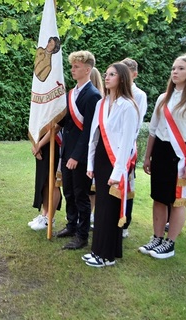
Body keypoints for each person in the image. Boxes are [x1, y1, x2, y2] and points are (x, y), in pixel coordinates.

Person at [140, 54, 186, 259]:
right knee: (158, 197)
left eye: (181, 68)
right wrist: (147, 157)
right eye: (174, 68)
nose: (175, 71)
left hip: (181, 155)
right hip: (161, 152)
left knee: (177, 201)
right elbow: (153, 131)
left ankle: (170, 243)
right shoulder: (163, 98)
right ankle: (156, 238)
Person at [83, 63, 140, 267]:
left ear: (123, 78)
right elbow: (94, 136)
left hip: (116, 162)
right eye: (106, 74)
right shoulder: (102, 103)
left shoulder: (128, 106)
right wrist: (90, 163)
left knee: (109, 207)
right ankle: (98, 250)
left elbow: (126, 142)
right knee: (101, 207)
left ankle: (106, 255)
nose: (107, 78)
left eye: (112, 74)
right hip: (100, 158)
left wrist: (118, 171)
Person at [56, 50, 101, 250]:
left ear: (88, 69)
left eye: (76, 66)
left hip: (80, 157)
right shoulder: (71, 93)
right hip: (67, 152)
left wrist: (76, 156)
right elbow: (67, 122)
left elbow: (90, 132)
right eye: (72, 66)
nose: (72, 69)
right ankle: (71, 225)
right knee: (69, 193)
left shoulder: (93, 96)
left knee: (81, 195)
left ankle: (82, 235)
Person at [120, 57, 148, 238]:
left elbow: (136, 123)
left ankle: (125, 222)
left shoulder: (139, 95)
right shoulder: (113, 91)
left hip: (127, 147)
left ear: (134, 75)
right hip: (110, 146)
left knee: (127, 185)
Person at [28, 129, 63, 230]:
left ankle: (50, 218)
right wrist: (36, 144)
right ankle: (44, 214)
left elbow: (55, 127)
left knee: (53, 181)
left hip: (54, 142)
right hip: (42, 141)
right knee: (45, 181)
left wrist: (38, 145)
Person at [88, 67, 104, 227]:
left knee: (93, 186)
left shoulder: (98, 98)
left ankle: (92, 212)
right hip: (91, 145)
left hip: (96, 145)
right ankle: (89, 212)